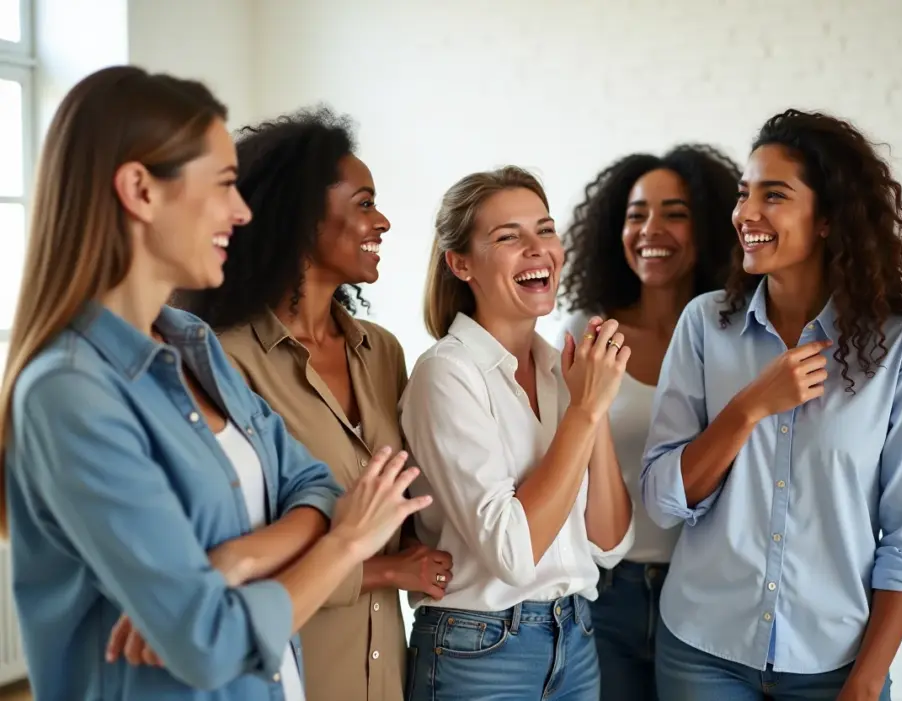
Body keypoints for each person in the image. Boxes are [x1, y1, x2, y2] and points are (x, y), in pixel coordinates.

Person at [0, 66, 430, 701]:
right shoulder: (70, 394)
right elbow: (208, 640)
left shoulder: (193, 347)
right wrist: (345, 542)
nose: (243, 210)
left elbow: (313, 485)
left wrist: (241, 558)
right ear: (140, 191)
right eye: (224, 184)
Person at [642, 109, 902, 701]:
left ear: (829, 217)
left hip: (835, 663)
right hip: (703, 650)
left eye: (773, 195)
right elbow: (662, 498)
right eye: (744, 194)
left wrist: (866, 681)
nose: (746, 213)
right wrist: (749, 408)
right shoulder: (706, 324)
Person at [175, 106, 452, 701]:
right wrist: (383, 571)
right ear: (301, 218)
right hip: (292, 668)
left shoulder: (382, 352)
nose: (382, 221)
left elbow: (396, 517)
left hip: (386, 670)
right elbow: (230, 554)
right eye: (364, 203)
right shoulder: (224, 361)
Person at [399, 166, 636, 700]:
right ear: (461, 263)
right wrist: (584, 411)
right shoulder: (446, 375)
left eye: (545, 229)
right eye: (508, 237)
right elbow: (512, 553)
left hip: (576, 640)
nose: (537, 249)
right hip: (480, 651)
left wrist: (591, 404)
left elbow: (609, 543)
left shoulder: (561, 371)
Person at [559, 144, 740, 701]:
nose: (650, 229)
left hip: (707, 591)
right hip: (604, 591)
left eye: (675, 213)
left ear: (709, 228)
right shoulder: (590, 333)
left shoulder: (735, 337)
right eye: (636, 214)